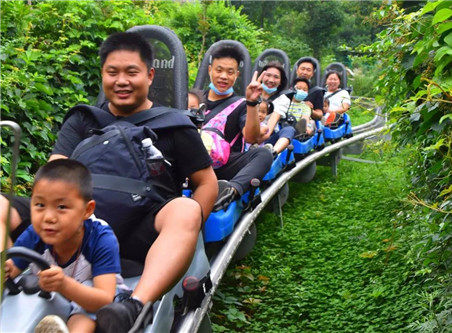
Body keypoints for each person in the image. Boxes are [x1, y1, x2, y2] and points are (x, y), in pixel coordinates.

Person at [1, 31, 218, 332]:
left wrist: (191, 233)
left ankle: (133, 306)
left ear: (150, 75)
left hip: (139, 230)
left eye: (132, 72)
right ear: (103, 74)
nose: (121, 81)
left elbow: (207, 184)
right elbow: (55, 174)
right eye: (112, 72)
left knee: (185, 209)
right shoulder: (83, 120)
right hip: (73, 225)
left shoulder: (175, 127)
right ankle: (6, 272)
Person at [5, 159, 123, 333]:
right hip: (49, 298)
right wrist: (6, 270)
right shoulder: (35, 233)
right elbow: (12, 269)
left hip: (90, 300)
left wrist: (64, 284)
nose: (48, 217)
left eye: (61, 207)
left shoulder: (101, 238)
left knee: (84, 312)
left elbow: (104, 299)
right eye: (40, 205)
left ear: (87, 210)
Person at [203, 44, 273, 211]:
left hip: (224, 167)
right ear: (210, 70)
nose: (223, 76)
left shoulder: (241, 104)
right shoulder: (194, 98)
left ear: (237, 75)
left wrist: (251, 102)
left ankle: (229, 191)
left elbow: (251, 137)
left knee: (264, 154)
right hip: (193, 164)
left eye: (230, 72)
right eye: (219, 70)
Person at [253, 61, 295, 155]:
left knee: (289, 130)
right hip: (248, 135)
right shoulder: (252, 93)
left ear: (280, 82)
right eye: (268, 75)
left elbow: (268, 130)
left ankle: (272, 152)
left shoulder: (283, 100)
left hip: (267, 137)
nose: (271, 80)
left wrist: (253, 143)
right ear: (262, 76)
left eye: (276, 77)